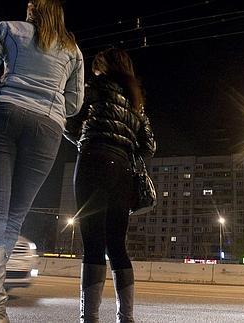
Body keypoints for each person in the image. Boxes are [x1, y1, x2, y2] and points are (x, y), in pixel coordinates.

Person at [0, 1, 84, 322]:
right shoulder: (72, 50)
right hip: (48, 128)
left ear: (34, 10)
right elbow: (75, 103)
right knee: (12, 218)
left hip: (4, 116)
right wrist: (49, 100)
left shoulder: (8, 29)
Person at [64, 48, 156, 323]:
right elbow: (149, 146)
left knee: (92, 243)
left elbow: (69, 123)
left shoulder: (94, 88)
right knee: (117, 246)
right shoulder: (136, 100)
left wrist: (87, 136)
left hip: (93, 161)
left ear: (103, 67)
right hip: (123, 171)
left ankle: (89, 318)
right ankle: (125, 318)